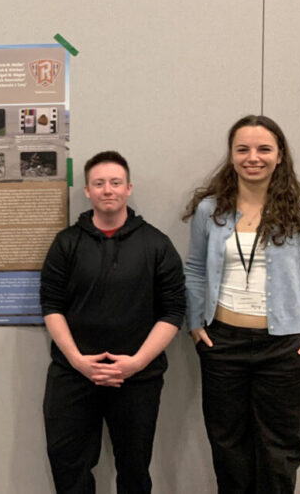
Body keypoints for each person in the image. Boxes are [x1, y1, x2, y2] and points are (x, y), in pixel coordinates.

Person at [183, 115, 300, 493]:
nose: (252, 157)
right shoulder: (210, 212)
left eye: (263, 149)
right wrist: (194, 325)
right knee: (228, 447)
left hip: (285, 350)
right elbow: (194, 271)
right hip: (222, 346)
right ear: (232, 155)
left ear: (280, 156)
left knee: (279, 452)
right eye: (243, 149)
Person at [40, 151, 186, 493]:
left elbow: (173, 310)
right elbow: (51, 305)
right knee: (68, 465)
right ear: (88, 191)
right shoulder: (66, 244)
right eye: (99, 183)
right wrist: (78, 361)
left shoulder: (157, 245)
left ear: (129, 188)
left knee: (134, 469)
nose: (108, 190)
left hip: (138, 378)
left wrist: (136, 363)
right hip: (73, 375)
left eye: (116, 182)